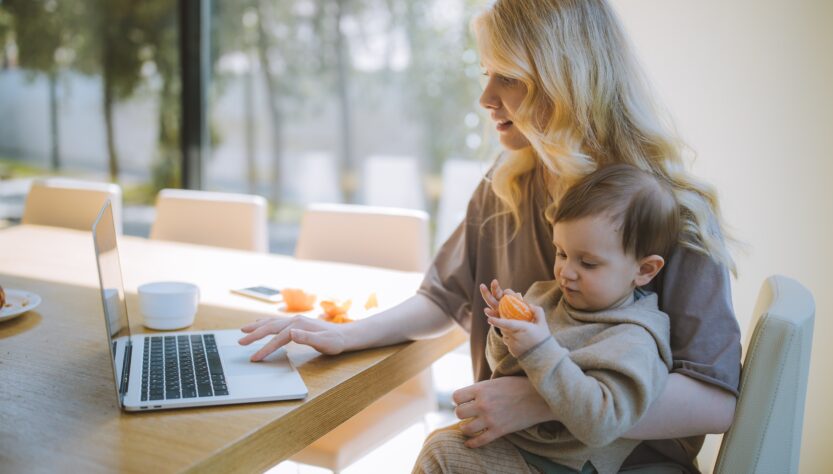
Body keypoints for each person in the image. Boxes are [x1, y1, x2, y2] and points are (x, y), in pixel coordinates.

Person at [238, 0, 741, 471]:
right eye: (486, 74)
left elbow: (715, 400)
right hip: (510, 453)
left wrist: (542, 401)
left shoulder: (670, 211)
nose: (485, 98)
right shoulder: (507, 183)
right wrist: (347, 334)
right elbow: (444, 297)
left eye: (509, 78)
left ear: (566, 81)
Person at [413, 164, 681, 474]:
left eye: (588, 263)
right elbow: (504, 370)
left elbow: (602, 424)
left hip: (562, 466)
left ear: (645, 270)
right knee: (443, 440)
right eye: (561, 253)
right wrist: (506, 333)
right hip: (519, 446)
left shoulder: (634, 339)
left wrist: (539, 348)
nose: (566, 272)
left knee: (442, 453)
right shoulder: (548, 296)